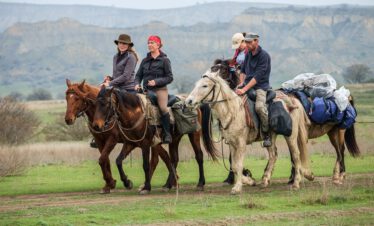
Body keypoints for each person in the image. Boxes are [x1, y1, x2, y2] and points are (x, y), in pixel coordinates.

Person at [235, 33, 272, 147]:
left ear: (256, 41)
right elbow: (243, 71)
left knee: (260, 107)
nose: (247, 44)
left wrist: (244, 88)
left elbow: (258, 76)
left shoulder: (264, 56)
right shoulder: (248, 55)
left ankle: (266, 134)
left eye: (250, 42)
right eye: (246, 42)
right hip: (247, 85)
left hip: (260, 87)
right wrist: (241, 83)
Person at [135, 35, 173, 144]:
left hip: (160, 90)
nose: (149, 45)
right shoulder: (144, 61)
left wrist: (156, 82)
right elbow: (138, 76)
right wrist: (137, 84)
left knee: (163, 108)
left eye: (152, 43)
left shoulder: (165, 60)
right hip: (146, 90)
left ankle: (167, 134)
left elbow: (170, 77)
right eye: (148, 43)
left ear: (158, 45)